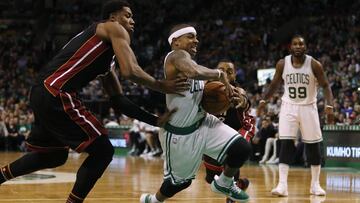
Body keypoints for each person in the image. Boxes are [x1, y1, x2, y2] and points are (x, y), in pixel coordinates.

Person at [0, 1, 189, 202]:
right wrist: (162, 85)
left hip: (42, 91)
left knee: (53, 156)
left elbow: (118, 100)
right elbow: (130, 71)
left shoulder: (105, 56)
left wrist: (155, 120)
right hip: (57, 91)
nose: (132, 21)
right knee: (103, 150)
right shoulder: (112, 28)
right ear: (113, 17)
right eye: (127, 15)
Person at [140, 24, 251, 203]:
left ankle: (225, 182)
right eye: (190, 36)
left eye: (196, 36)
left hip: (204, 123)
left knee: (241, 148)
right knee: (179, 184)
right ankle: (153, 200)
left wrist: (232, 96)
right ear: (176, 41)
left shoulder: (192, 62)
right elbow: (194, 72)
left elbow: (204, 86)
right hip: (180, 134)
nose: (196, 40)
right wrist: (219, 75)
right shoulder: (176, 56)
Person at [258, 35, 334, 197]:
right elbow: (274, 84)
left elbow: (326, 86)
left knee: (313, 146)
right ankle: (282, 185)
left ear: (305, 47)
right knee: (285, 143)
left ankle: (315, 184)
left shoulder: (314, 64)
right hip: (288, 107)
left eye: (301, 44)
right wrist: (264, 100)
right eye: (295, 44)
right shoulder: (282, 63)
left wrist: (329, 105)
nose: (298, 46)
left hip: (308, 107)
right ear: (290, 47)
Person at [202, 61, 255, 203]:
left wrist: (242, 101)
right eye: (221, 70)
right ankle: (241, 184)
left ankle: (231, 196)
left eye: (229, 71)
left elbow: (244, 98)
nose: (225, 73)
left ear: (234, 75)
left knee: (232, 155)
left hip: (241, 128)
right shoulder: (208, 88)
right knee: (210, 178)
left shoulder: (237, 90)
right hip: (216, 131)